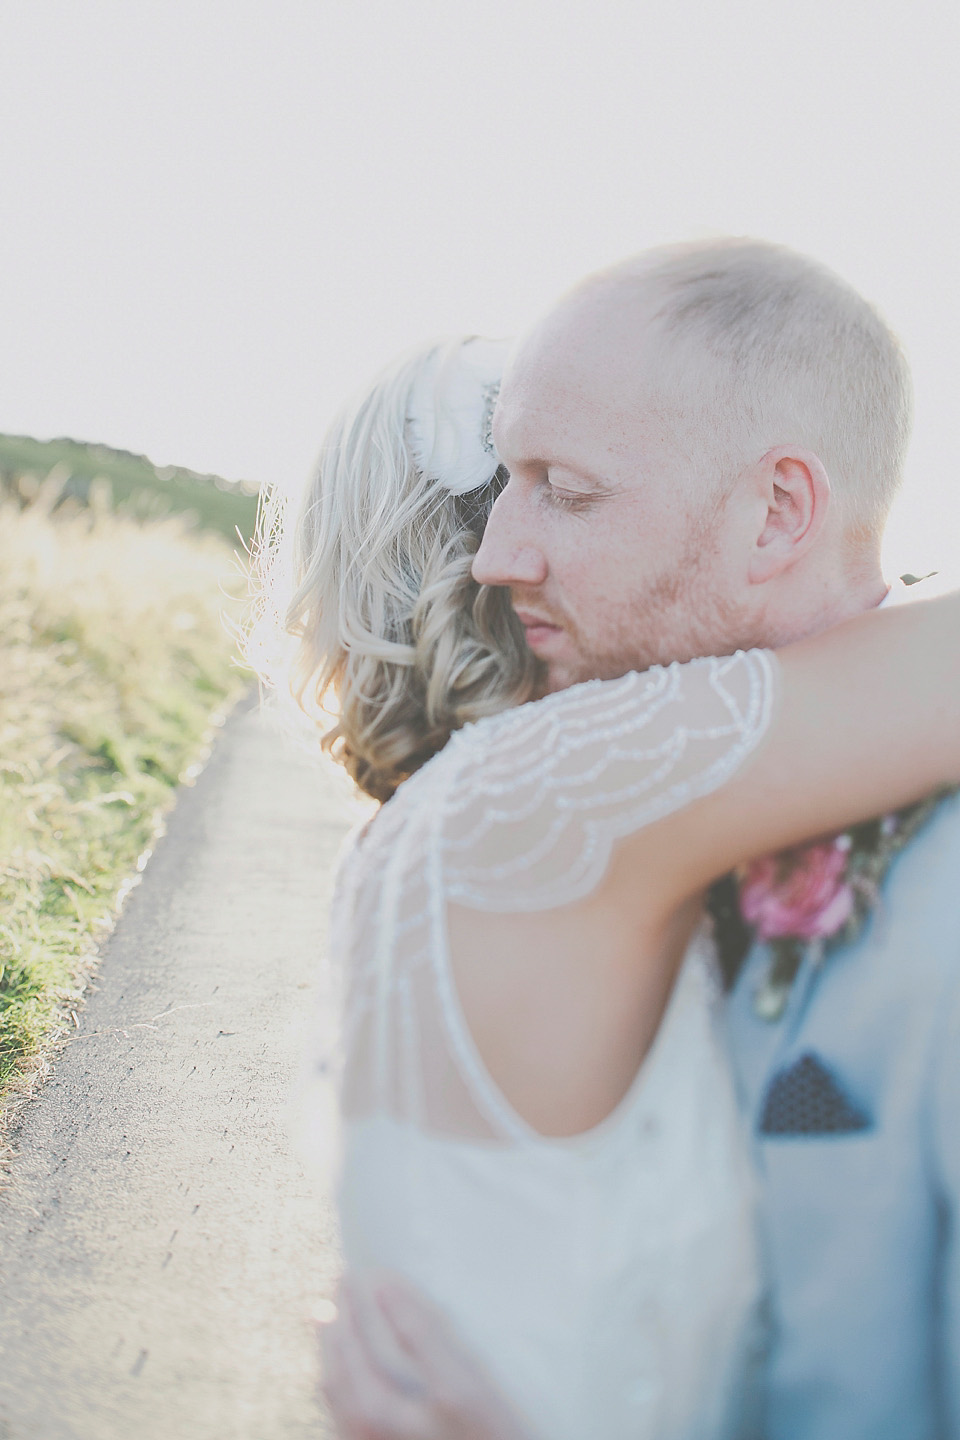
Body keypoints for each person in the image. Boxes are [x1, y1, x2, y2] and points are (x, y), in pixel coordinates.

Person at [257, 243, 960, 1439]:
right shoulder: (538, 823)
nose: (502, 555)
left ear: (779, 508)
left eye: (568, 491)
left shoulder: (650, 843)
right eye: (507, 485)